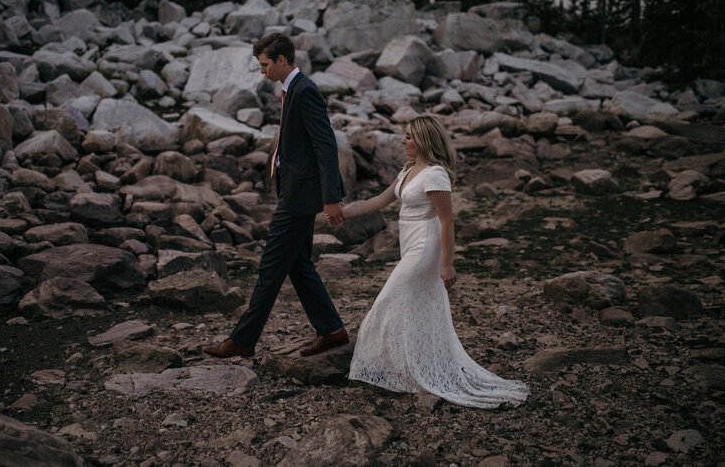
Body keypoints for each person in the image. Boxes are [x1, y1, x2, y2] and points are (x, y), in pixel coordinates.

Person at [343, 116, 529, 408]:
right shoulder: (407, 171)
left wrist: (447, 264)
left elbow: (447, 221)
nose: (404, 141)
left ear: (424, 140)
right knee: (415, 308)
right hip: (410, 245)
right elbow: (380, 200)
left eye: (409, 136)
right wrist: (344, 213)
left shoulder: (435, 174)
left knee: (388, 302)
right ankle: (413, 370)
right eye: (404, 135)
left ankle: (412, 371)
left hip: (425, 249)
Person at [204, 33, 350, 359]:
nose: (262, 71)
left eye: (265, 64)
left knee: (271, 267)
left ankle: (243, 339)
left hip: (300, 198)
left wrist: (331, 198)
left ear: (282, 60)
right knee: (298, 264)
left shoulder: (306, 91)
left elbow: (325, 145)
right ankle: (332, 330)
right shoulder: (291, 90)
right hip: (293, 192)